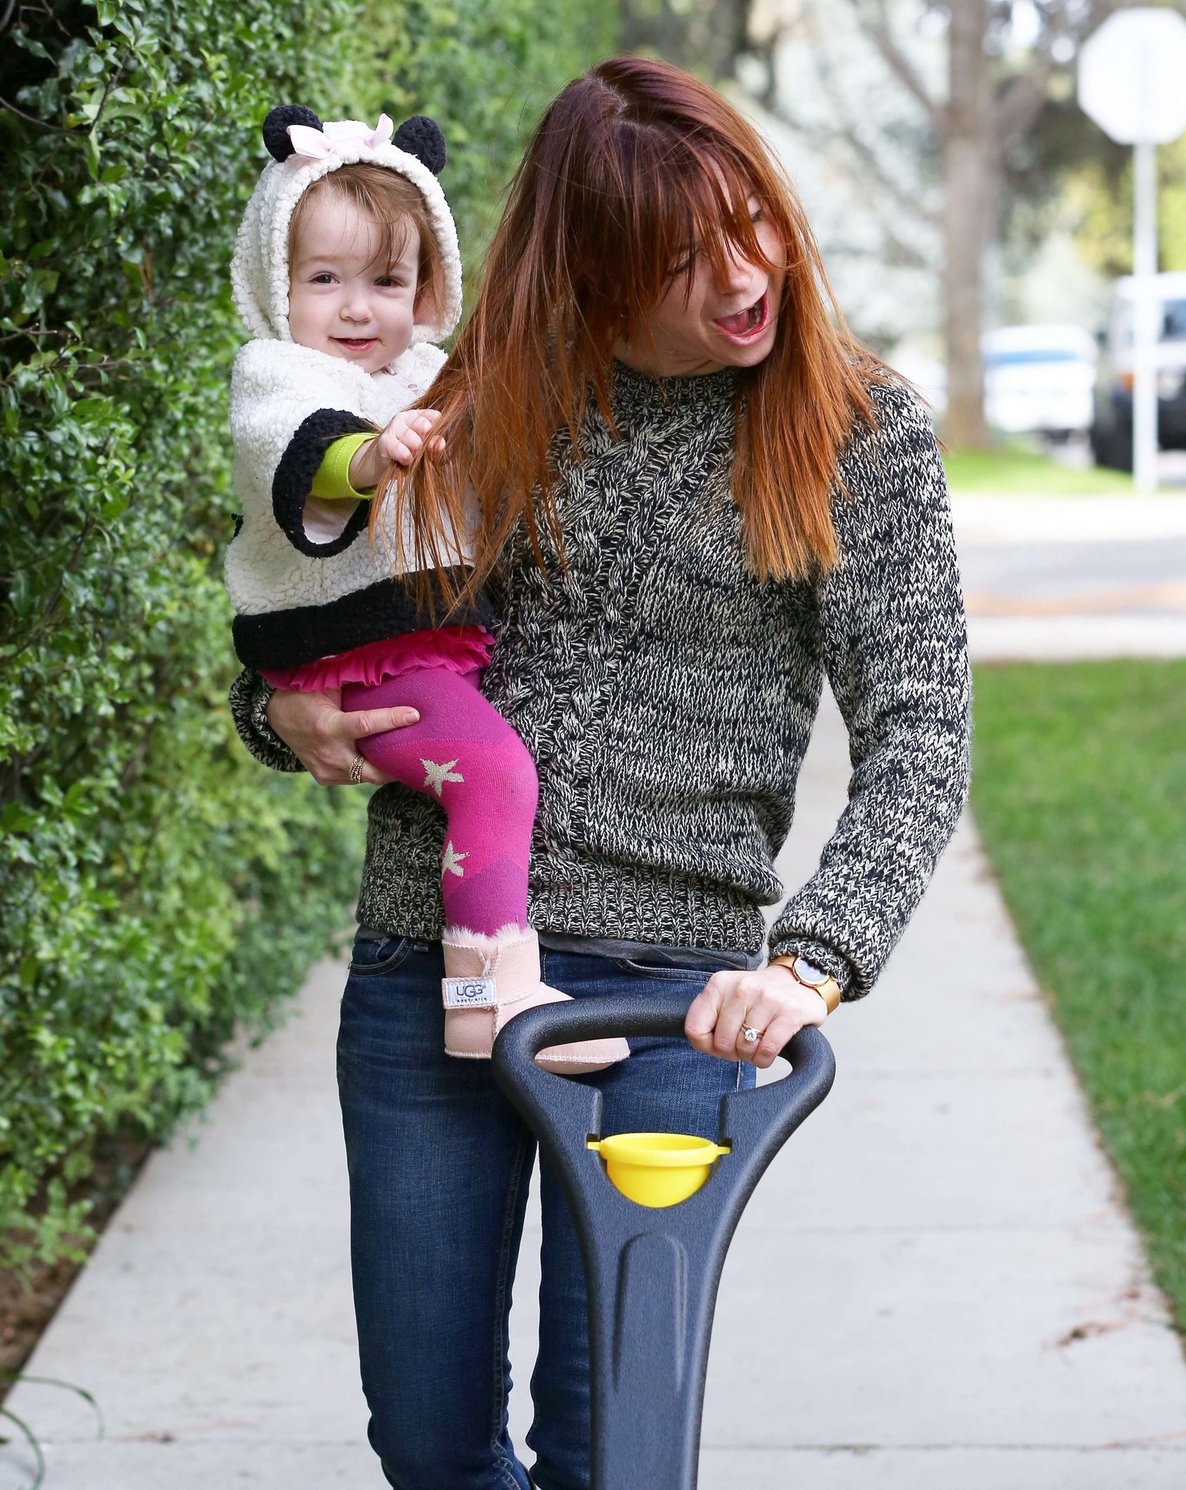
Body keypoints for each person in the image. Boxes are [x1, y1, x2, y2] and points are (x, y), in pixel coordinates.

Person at [229, 56, 971, 1490]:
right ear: (591, 270)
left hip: (675, 993)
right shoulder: (478, 400)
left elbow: (921, 725)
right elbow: (315, 608)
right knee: (430, 1439)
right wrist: (279, 715)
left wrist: (812, 959)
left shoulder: (855, 431)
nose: (743, 272)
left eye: (748, 220)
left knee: (613, 1446)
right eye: (680, 259)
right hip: (436, 964)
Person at [226, 103, 627, 1074]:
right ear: (277, 285)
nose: (357, 308)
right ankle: (489, 995)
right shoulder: (276, 372)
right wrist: (371, 458)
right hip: (348, 648)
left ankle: (489, 992)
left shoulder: (427, 370)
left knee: (488, 774)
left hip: (403, 640)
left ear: (429, 284)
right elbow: (302, 457)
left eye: (387, 281)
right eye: (325, 280)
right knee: (493, 775)